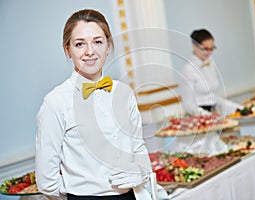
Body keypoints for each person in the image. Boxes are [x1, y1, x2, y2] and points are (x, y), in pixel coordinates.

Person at [35, 9, 154, 200]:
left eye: (98, 42)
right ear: (68, 50)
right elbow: (46, 180)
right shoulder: (55, 101)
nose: (90, 51)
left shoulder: (124, 92)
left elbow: (138, 147)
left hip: (131, 196)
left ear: (108, 46)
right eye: (80, 44)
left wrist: (141, 170)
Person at [180, 29, 243, 116]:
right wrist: (208, 116)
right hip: (198, 118)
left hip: (214, 113)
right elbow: (188, 104)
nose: (209, 52)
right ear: (194, 46)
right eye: (205, 49)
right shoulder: (188, 70)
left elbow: (213, 97)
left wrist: (237, 108)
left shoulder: (210, 64)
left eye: (212, 48)